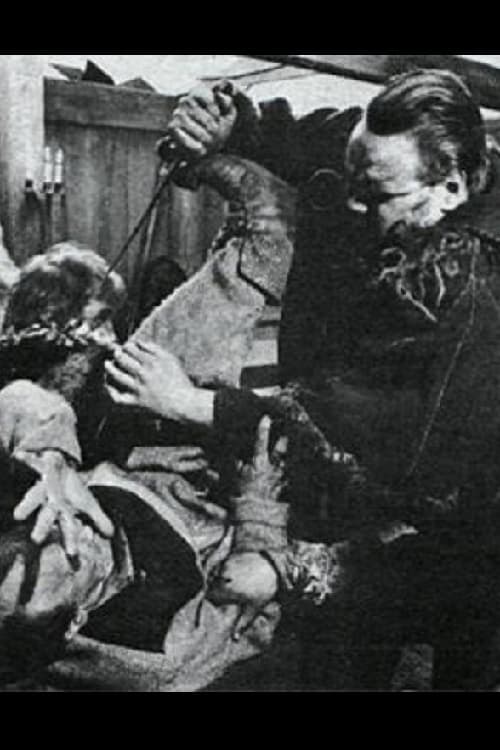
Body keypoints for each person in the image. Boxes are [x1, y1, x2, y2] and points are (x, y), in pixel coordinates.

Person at [105, 68, 500, 690]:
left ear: (451, 189)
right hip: (364, 495)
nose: (353, 207)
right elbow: (310, 135)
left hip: (461, 522)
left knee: (459, 646)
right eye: (351, 182)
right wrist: (230, 120)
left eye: (375, 195)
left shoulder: (473, 293)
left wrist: (194, 404)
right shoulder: (399, 155)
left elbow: (371, 427)